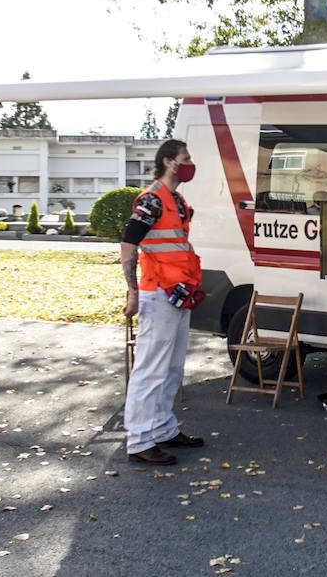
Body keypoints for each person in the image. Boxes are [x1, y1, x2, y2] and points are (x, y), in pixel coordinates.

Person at [121, 138, 205, 465]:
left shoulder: (177, 201)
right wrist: (133, 291)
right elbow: (128, 245)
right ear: (170, 162)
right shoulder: (152, 201)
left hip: (178, 291)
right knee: (150, 368)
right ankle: (140, 441)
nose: (189, 163)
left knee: (172, 367)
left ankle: (163, 429)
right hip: (157, 292)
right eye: (185, 157)